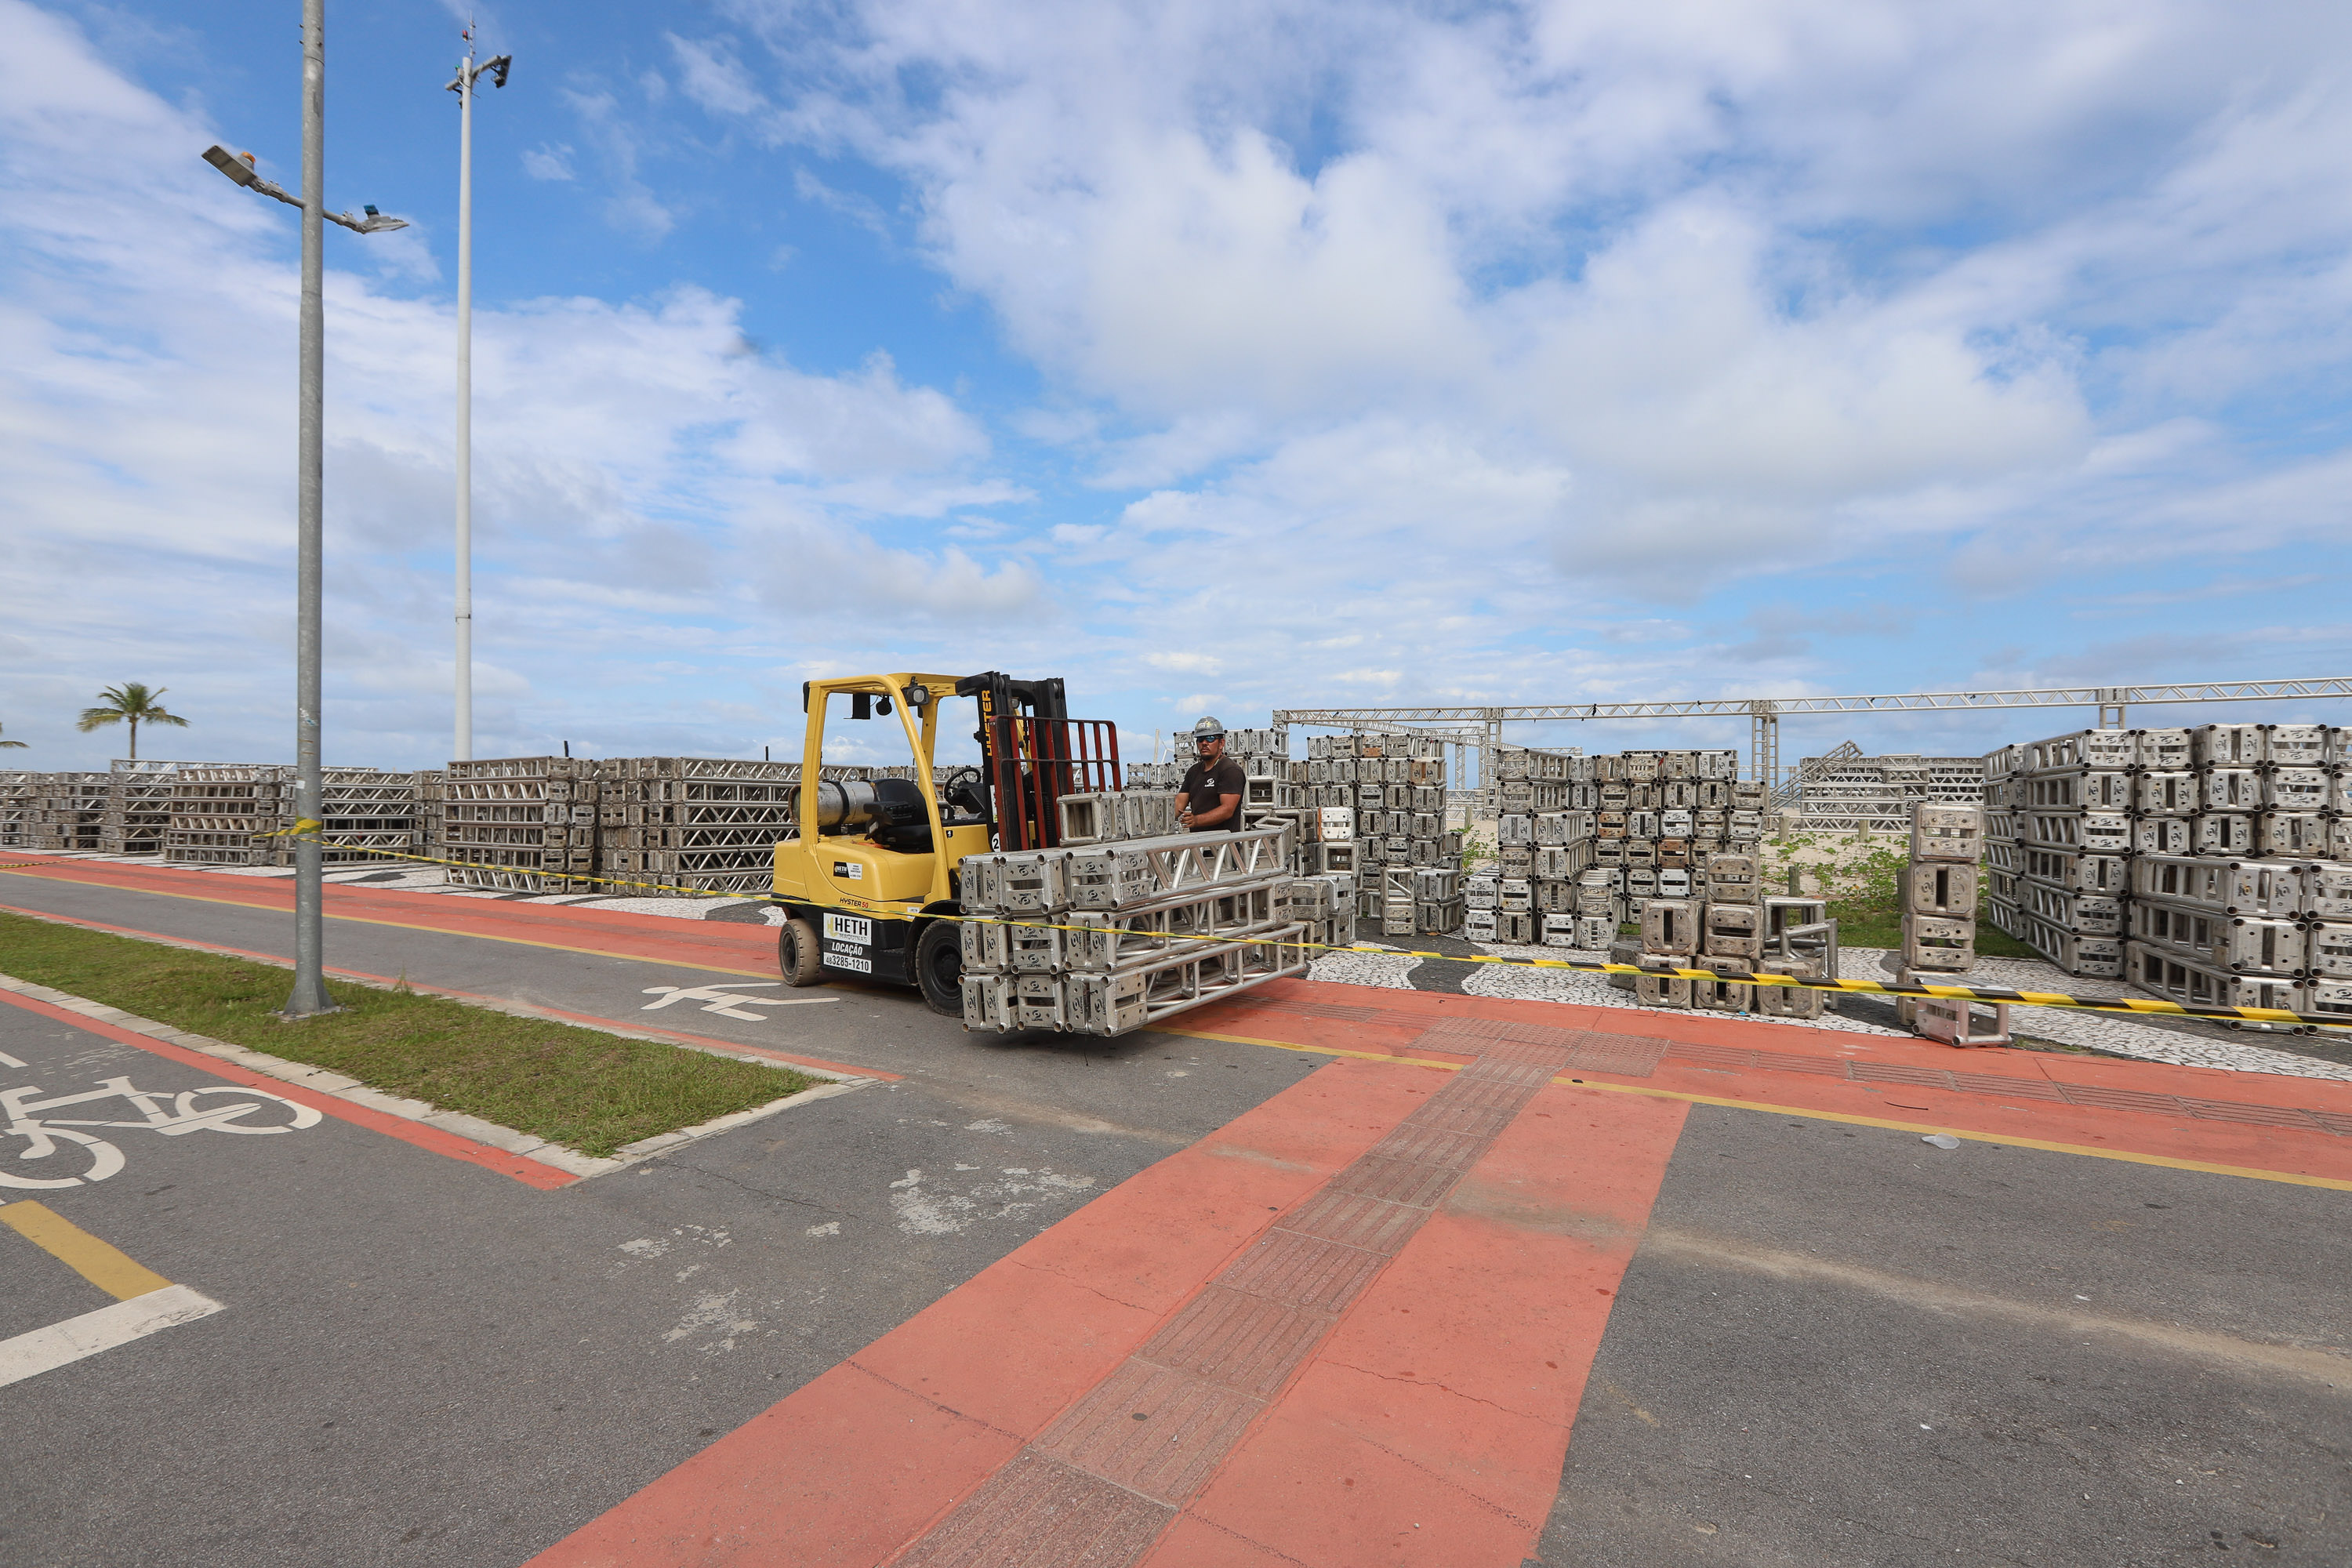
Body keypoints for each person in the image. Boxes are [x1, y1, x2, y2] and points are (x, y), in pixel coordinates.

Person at [1177, 716, 1247, 832]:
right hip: (1199, 844)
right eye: (1200, 739)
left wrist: (1197, 820)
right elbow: (1179, 804)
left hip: (1223, 846)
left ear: (1221, 743)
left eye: (1210, 739)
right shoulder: (1193, 771)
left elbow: (1227, 810)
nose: (1204, 743)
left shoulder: (1230, 770)